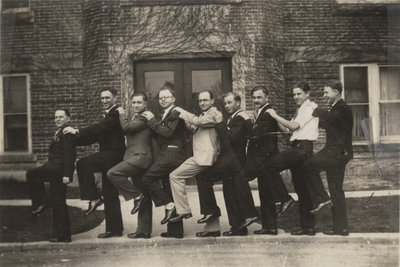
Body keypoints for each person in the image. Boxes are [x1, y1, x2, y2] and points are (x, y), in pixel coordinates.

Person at [63, 88, 125, 239]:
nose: (104, 101)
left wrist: (76, 131)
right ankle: (115, 229)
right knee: (110, 192)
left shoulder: (115, 112)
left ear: (115, 98)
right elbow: (97, 136)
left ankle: (94, 197)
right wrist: (74, 140)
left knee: (83, 164)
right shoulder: (109, 114)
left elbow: (98, 128)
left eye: (107, 98)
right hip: (109, 156)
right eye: (102, 98)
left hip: (112, 155)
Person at [195, 92, 259, 237]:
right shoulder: (234, 117)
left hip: (232, 159)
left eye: (230, 103)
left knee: (203, 176)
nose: (227, 106)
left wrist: (219, 123)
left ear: (238, 102)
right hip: (232, 159)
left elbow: (230, 138)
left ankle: (211, 210)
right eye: (225, 103)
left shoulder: (240, 117)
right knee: (231, 193)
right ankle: (239, 227)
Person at [262, 82, 319, 236]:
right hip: (298, 147)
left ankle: (285, 199)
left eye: (299, 94)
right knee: (302, 188)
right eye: (294, 94)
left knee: (268, 166)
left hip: (303, 149)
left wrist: (274, 115)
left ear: (307, 94)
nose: (295, 97)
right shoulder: (300, 109)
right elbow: (288, 131)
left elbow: (293, 126)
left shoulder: (309, 108)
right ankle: (308, 227)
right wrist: (276, 120)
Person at [302, 82, 353, 236]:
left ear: (336, 92)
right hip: (336, 152)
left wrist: (314, 109)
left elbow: (330, 117)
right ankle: (341, 228)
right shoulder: (335, 107)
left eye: (326, 93)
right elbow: (326, 123)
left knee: (308, 165)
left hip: (337, 151)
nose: (324, 96)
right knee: (336, 189)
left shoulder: (342, 107)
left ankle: (322, 198)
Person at [243, 86, 294, 235]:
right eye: (254, 98)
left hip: (264, 156)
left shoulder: (267, 112)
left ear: (267, 98)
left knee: (243, 179)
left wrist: (248, 126)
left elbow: (257, 134)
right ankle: (269, 227)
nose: (256, 100)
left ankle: (285, 198)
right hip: (261, 156)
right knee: (265, 193)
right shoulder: (261, 112)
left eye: (259, 97)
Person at [168, 90, 223, 223]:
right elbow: (196, 128)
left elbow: (198, 122)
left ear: (212, 101)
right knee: (204, 186)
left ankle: (183, 210)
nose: (202, 103)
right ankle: (212, 227)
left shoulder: (215, 114)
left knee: (175, 176)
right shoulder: (205, 115)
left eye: (205, 100)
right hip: (203, 156)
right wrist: (185, 123)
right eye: (200, 100)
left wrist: (181, 112)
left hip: (205, 157)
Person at [140, 84, 186, 238]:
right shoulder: (165, 114)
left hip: (172, 155)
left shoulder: (175, 112)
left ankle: (169, 205)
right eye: (160, 97)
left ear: (173, 99)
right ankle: (176, 231)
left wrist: (152, 121)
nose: (163, 99)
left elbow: (167, 132)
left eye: (166, 97)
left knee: (147, 178)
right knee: (169, 189)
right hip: (166, 154)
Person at [106, 92, 153, 239]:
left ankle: (136, 196)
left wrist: (121, 113)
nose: (136, 105)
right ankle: (143, 230)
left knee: (112, 173)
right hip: (134, 157)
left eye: (139, 102)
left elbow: (127, 128)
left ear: (145, 104)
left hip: (140, 158)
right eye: (134, 102)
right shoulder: (136, 117)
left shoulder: (144, 117)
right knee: (143, 192)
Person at [26, 109, 76, 243]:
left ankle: (42, 201)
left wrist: (68, 174)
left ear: (68, 119)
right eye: (56, 117)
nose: (58, 119)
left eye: (61, 117)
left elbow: (70, 156)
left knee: (32, 174)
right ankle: (63, 235)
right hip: (54, 169)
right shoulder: (60, 132)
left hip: (57, 170)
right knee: (58, 202)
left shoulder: (67, 133)